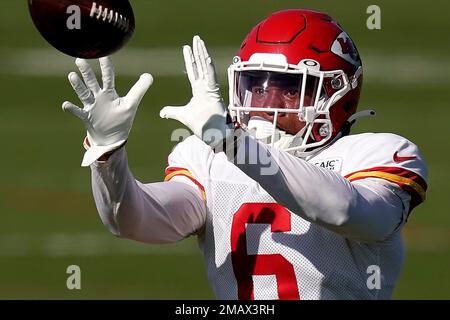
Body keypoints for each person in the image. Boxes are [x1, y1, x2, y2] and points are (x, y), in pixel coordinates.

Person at [62, 9, 428, 299]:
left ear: (336, 93)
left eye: (287, 88)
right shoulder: (208, 157)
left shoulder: (377, 154)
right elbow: (132, 221)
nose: (265, 102)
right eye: (254, 85)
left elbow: (344, 210)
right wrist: (108, 153)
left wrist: (234, 144)